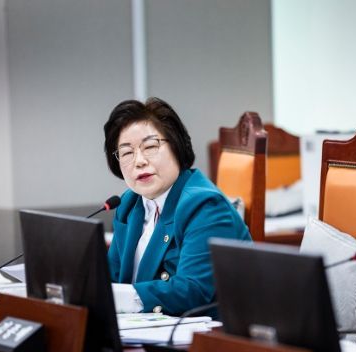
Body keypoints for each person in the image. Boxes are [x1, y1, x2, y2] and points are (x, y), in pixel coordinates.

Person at [103, 97, 251, 316]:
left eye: (150, 147)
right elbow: (110, 279)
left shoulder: (205, 205)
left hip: (202, 332)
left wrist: (116, 297)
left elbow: (193, 290)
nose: (139, 161)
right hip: (141, 329)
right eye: (126, 152)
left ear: (176, 145)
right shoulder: (129, 204)